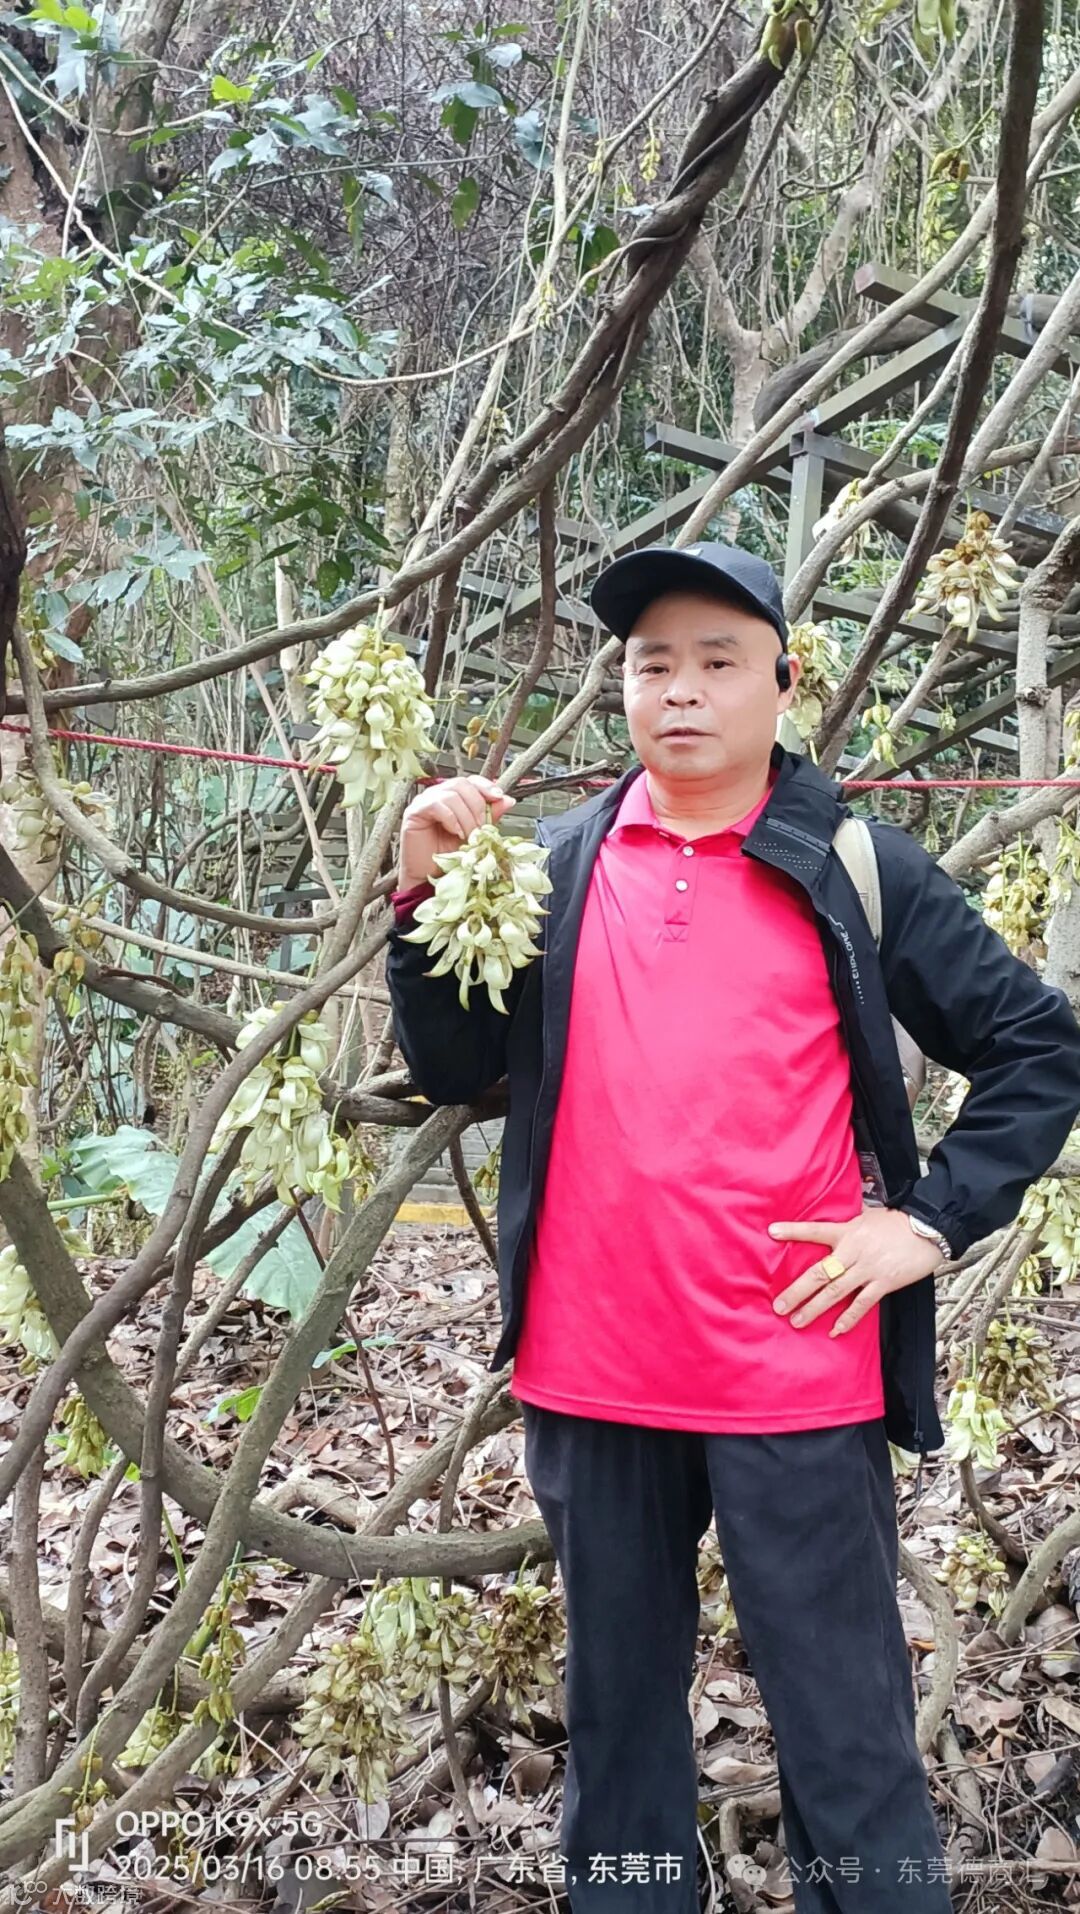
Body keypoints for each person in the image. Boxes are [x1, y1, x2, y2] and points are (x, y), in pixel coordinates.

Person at [385, 541, 1080, 1913]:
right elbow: (457, 1064)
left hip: (793, 1374)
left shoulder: (856, 866)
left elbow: (1037, 1049)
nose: (683, 690)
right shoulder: (554, 863)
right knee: (618, 1745)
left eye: (718, 660)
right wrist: (424, 894)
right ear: (622, 687)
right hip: (593, 1374)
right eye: (653, 664)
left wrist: (927, 1222)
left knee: (848, 1742)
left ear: (784, 680)